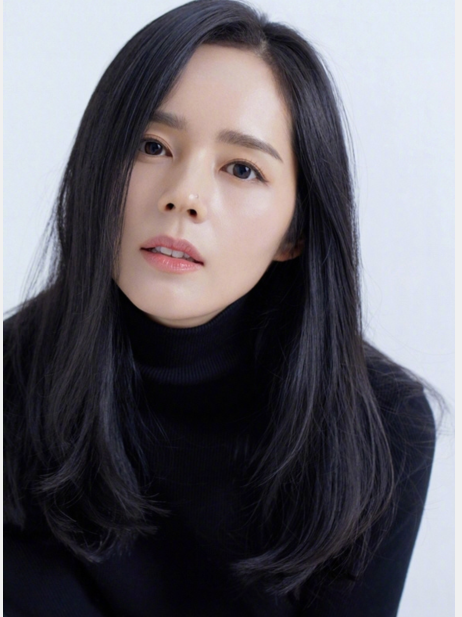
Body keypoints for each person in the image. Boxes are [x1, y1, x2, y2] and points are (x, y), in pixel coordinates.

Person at [3, 1, 439, 615]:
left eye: (242, 168)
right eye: (152, 145)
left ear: (295, 232)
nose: (184, 195)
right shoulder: (14, 378)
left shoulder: (382, 427)